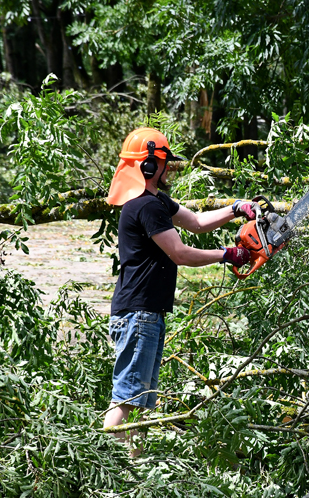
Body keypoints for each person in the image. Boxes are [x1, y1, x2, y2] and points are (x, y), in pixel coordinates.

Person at [102, 127, 254, 451]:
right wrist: (227, 254)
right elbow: (181, 253)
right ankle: (102, 464)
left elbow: (196, 221)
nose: (168, 167)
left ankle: (135, 471)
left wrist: (236, 208)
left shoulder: (154, 201)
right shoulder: (146, 206)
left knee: (141, 402)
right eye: (163, 161)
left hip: (144, 313)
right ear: (147, 165)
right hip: (138, 314)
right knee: (127, 398)